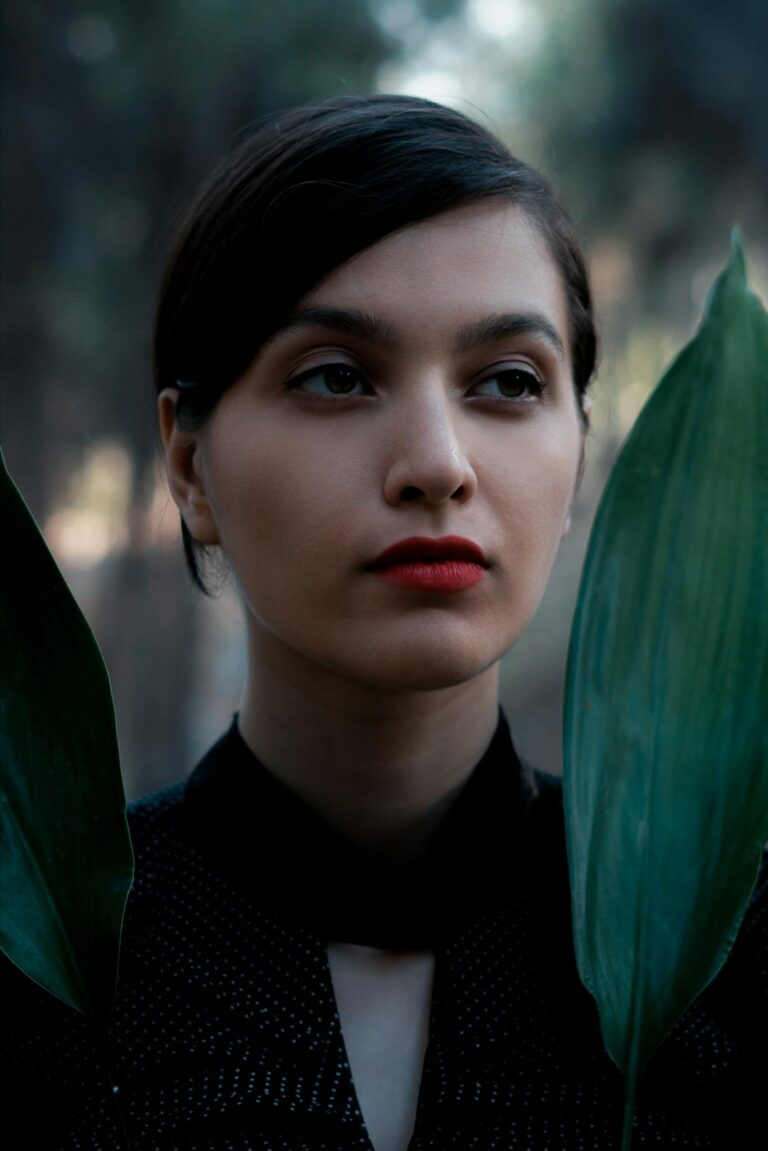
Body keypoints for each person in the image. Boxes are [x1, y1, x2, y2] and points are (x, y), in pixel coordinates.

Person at [2, 93, 766, 1151]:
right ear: (188, 463)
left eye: (507, 381)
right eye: (337, 377)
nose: (439, 466)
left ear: (579, 450)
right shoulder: (39, 976)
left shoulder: (728, 956)